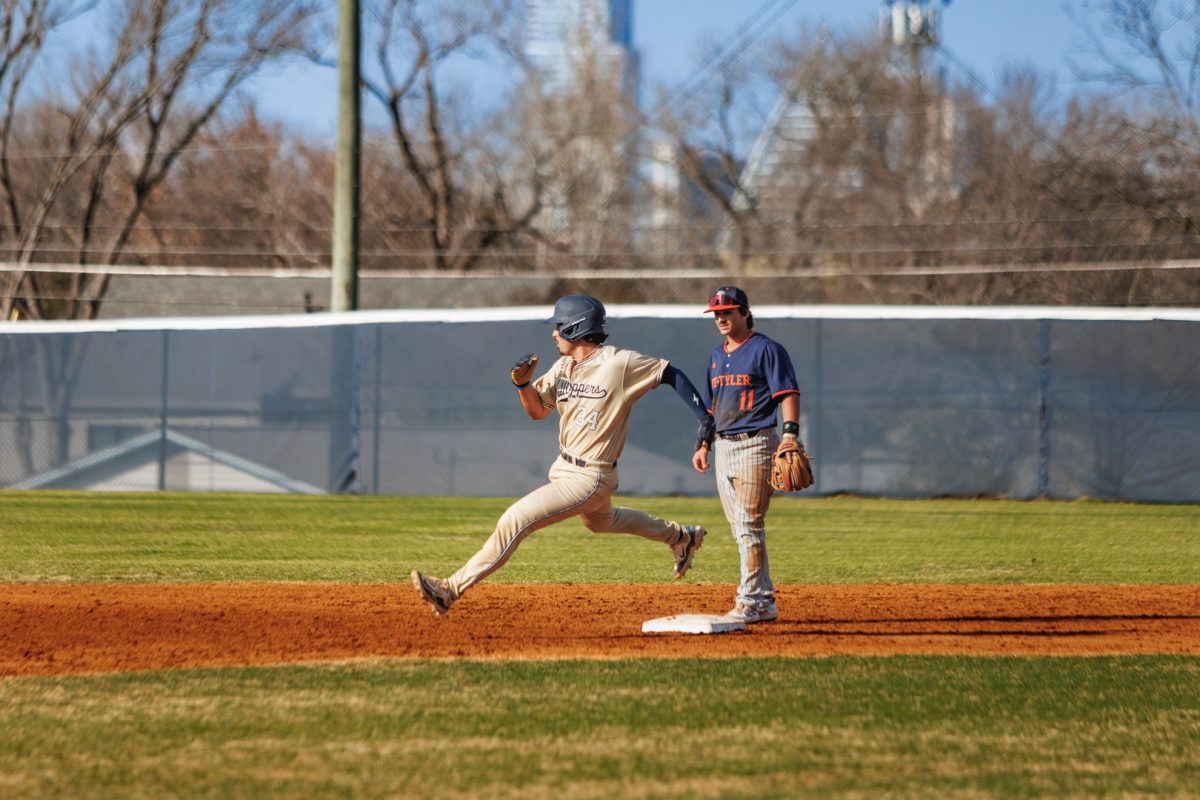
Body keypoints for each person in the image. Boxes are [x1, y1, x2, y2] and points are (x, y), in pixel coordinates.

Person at [412, 294, 713, 616]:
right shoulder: (563, 367)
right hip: (566, 469)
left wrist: (704, 417)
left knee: (515, 520)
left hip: (591, 476)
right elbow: (537, 411)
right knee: (603, 522)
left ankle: (449, 589)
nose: (553, 333)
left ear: (575, 327)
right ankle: (682, 537)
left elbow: (671, 374)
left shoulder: (618, 363)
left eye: (558, 326)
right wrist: (522, 384)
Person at [691, 285, 802, 623]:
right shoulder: (715, 355)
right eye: (717, 314)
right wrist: (704, 443)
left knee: (749, 524)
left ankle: (750, 601)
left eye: (727, 312)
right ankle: (764, 601)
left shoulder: (766, 349)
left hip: (757, 442)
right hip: (723, 444)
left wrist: (790, 435)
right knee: (740, 527)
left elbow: (788, 392)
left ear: (744, 312)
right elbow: (713, 407)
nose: (721, 318)